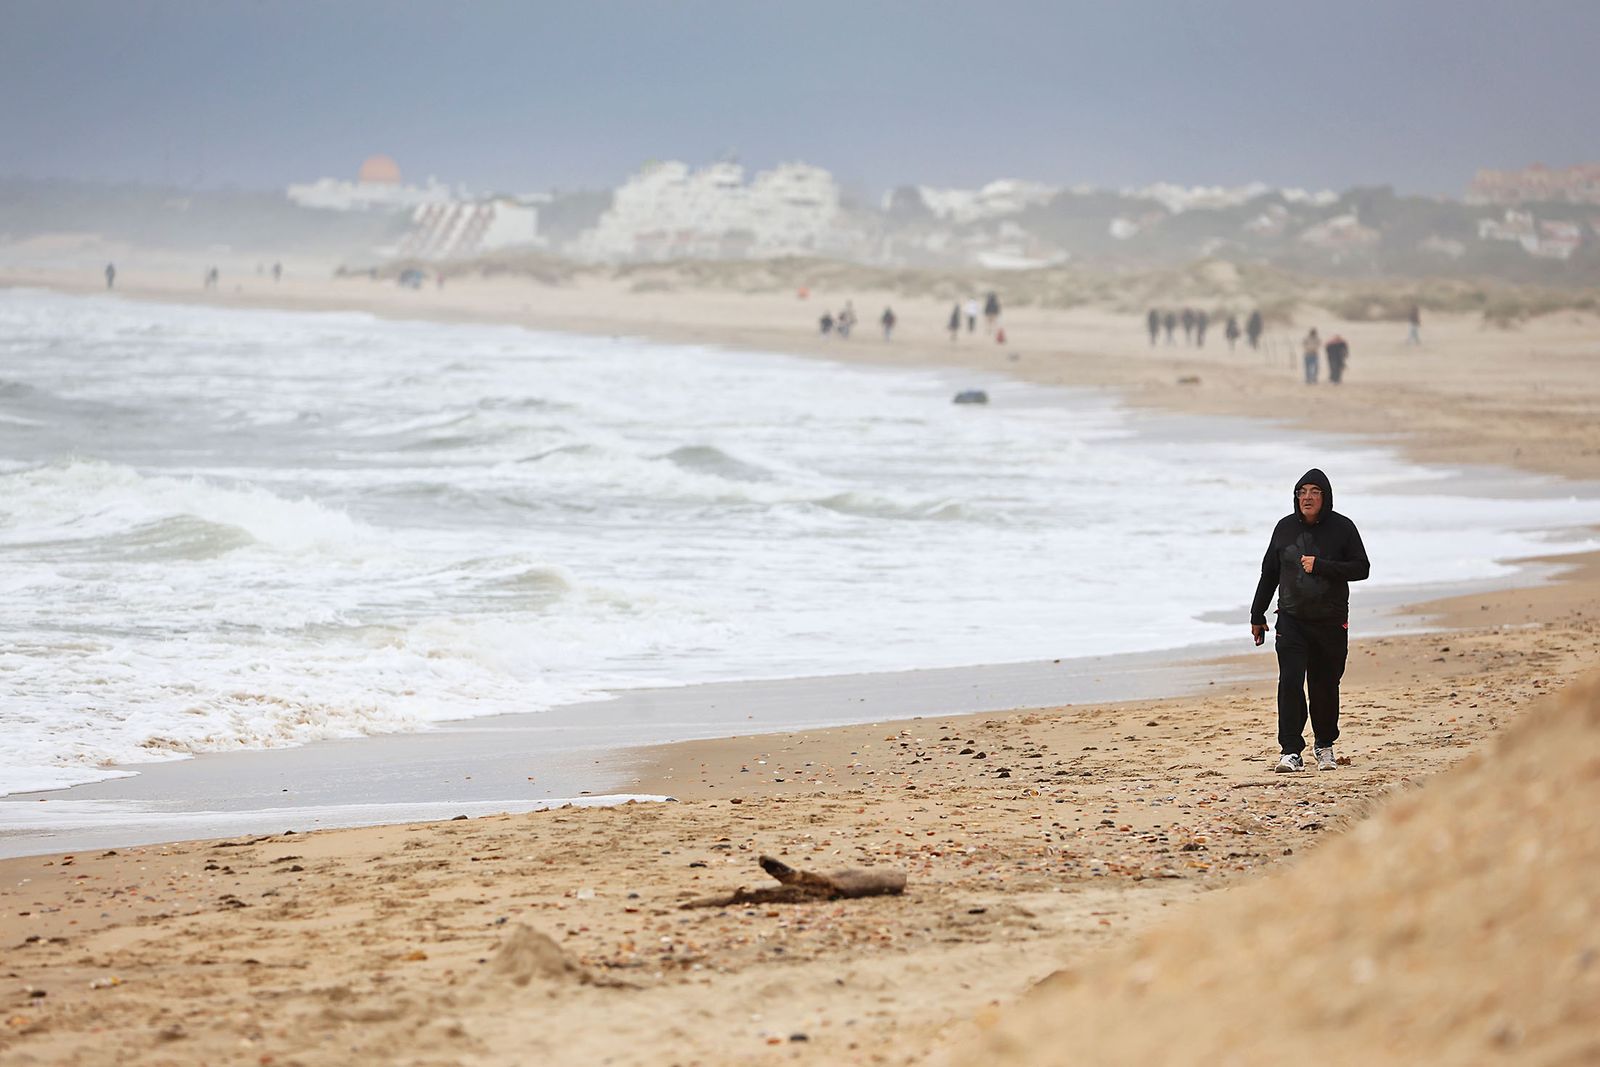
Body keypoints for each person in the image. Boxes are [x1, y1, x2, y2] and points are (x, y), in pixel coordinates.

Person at [1250, 469, 1370, 773]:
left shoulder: (1342, 528)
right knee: (1289, 681)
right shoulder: (1284, 528)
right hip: (1291, 620)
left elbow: (1361, 568)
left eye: (1315, 491)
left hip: (1330, 622)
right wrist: (1257, 613)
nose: (1307, 497)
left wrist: (1322, 566)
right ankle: (1290, 750)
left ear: (1325, 497)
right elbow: (1270, 573)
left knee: (1324, 685)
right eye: (1302, 491)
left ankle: (1324, 745)